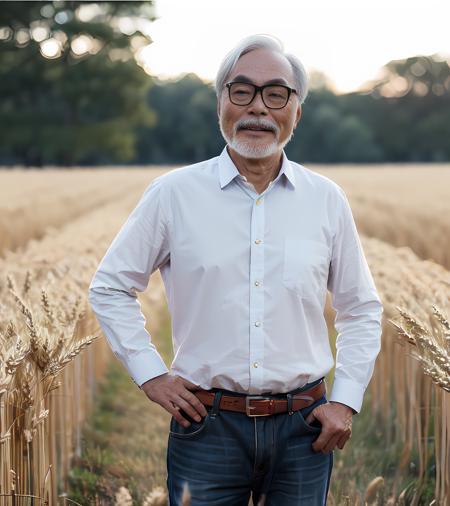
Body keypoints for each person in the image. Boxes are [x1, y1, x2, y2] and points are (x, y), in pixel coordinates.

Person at [88, 34, 383, 506]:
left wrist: (345, 400)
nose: (259, 108)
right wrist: (150, 374)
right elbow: (109, 288)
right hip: (206, 425)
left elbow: (361, 308)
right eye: (241, 90)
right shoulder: (173, 195)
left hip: (303, 428)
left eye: (276, 93)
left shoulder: (326, 199)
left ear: (296, 111)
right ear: (220, 103)